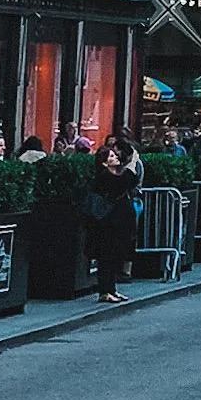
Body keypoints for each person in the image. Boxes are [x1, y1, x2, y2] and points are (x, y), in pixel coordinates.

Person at [86, 127, 144, 305]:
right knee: (107, 258)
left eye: (114, 155)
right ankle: (105, 290)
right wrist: (132, 163)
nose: (115, 158)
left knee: (113, 257)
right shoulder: (105, 177)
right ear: (104, 162)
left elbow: (130, 181)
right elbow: (125, 181)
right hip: (107, 224)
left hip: (117, 223)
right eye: (111, 157)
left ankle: (111, 289)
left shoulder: (115, 175)